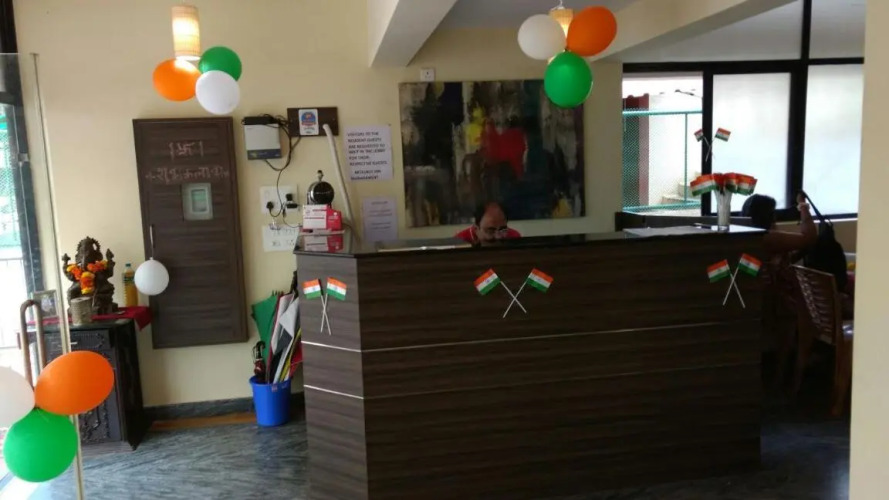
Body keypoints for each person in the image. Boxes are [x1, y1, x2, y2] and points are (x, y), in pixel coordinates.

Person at [455, 201, 522, 245]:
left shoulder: (514, 236)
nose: (498, 237)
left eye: (502, 230)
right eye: (490, 231)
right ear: (476, 229)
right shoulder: (460, 241)